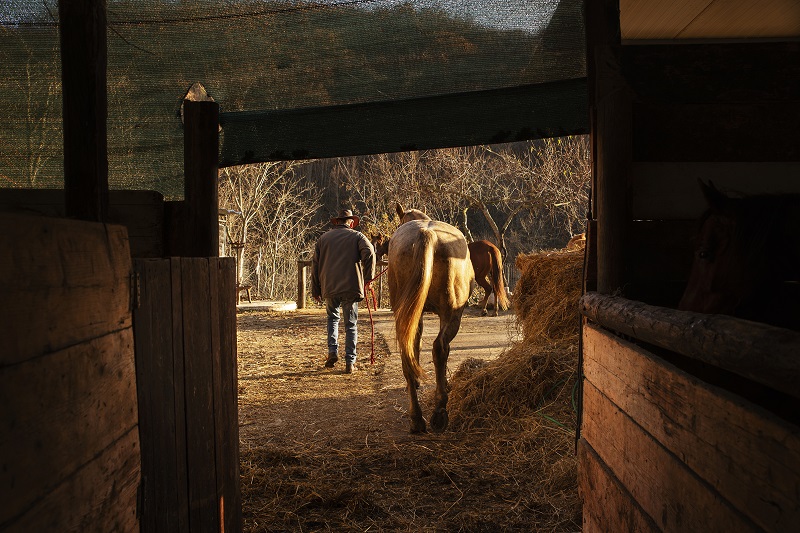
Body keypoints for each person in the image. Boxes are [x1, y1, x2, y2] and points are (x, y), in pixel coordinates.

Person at [311, 209, 376, 374]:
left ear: (337, 222)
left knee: (332, 319)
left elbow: (315, 266)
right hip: (350, 287)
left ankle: (332, 352)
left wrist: (315, 289)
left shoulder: (323, 239)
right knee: (350, 325)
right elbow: (369, 254)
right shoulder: (357, 237)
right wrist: (369, 278)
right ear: (351, 222)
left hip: (329, 286)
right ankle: (350, 362)